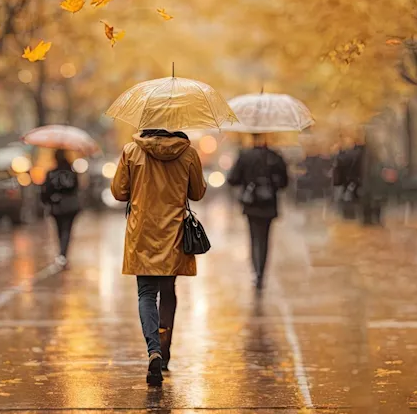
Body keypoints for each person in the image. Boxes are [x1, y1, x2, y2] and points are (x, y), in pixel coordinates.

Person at [110, 128, 207, 386]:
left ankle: (153, 349)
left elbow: (119, 192)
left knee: (146, 293)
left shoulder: (132, 151)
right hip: (173, 231)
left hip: (142, 231)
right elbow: (197, 192)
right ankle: (164, 352)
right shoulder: (187, 153)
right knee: (168, 290)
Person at [227, 135, 289, 290]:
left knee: (254, 237)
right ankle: (261, 271)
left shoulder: (245, 156)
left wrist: (247, 182)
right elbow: (285, 182)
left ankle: (256, 271)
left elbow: (233, 179)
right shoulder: (275, 157)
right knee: (265, 239)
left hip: (252, 204)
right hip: (268, 204)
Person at [40, 150, 81, 268]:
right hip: (71, 206)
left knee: (59, 230)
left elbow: (45, 190)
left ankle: (62, 253)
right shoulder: (72, 173)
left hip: (56, 206)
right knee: (67, 230)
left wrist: (47, 201)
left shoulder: (51, 173)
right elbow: (77, 188)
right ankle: (63, 254)